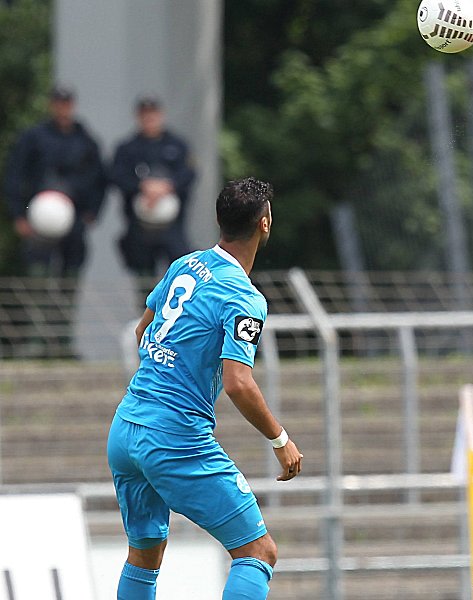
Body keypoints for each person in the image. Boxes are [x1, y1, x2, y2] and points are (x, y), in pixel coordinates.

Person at [107, 177, 303, 599]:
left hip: (127, 426)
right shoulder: (243, 298)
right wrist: (279, 438)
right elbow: (238, 383)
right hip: (174, 438)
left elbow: (144, 330)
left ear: (220, 220)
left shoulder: (186, 263)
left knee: (144, 554)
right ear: (264, 223)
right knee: (258, 551)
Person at [3, 83, 106, 277]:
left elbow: (99, 178)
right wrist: (18, 214)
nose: (62, 108)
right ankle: (39, 308)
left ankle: (64, 308)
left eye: (66, 103)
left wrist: (93, 210)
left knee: (72, 268)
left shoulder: (85, 140)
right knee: (37, 271)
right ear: (51, 105)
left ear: (73, 105)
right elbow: (15, 174)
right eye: (58, 103)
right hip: (37, 216)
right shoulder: (33, 137)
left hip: (74, 215)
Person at [110, 94, 196, 281]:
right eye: (145, 114)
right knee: (143, 276)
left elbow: (189, 173)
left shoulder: (177, 145)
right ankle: (147, 309)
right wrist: (142, 186)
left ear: (161, 115)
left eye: (153, 113)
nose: (149, 118)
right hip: (139, 226)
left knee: (181, 271)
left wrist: (167, 186)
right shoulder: (127, 148)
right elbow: (116, 176)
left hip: (172, 226)